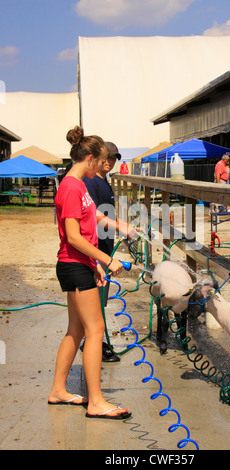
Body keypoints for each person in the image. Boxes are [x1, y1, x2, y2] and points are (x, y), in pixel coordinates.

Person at [48, 126, 131, 420]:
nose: (104, 167)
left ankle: (58, 389)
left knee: (77, 329)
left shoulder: (80, 184)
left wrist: (119, 228)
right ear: (92, 158)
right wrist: (106, 260)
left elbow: (90, 218)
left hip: (81, 264)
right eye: (103, 160)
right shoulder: (70, 187)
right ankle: (96, 402)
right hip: (72, 264)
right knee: (95, 331)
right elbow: (73, 236)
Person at [83, 142, 144, 362]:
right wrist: (120, 227)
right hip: (95, 249)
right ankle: (95, 343)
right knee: (95, 303)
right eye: (107, 157)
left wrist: (125, 227)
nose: (110, 162)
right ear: (97, 158)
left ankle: (93, 341)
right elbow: (93, 215)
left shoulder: (104, 181)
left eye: (114, 158)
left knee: (100, 301)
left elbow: (106, 213)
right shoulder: (90, 181)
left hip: (105, 248)